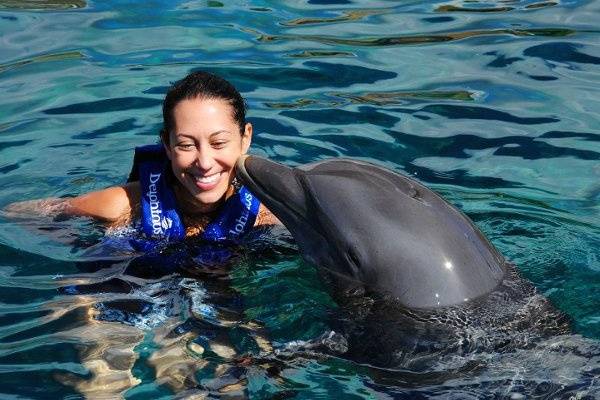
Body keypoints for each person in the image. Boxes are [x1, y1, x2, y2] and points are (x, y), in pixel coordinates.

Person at [7, 70, 280, 246]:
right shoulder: (125, 205)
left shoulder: (268, 215)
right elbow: (17, 212)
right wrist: (83, 240)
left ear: (245, 138)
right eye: (186, 145)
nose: (205, 162)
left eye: (219, 143)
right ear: (166, 144)